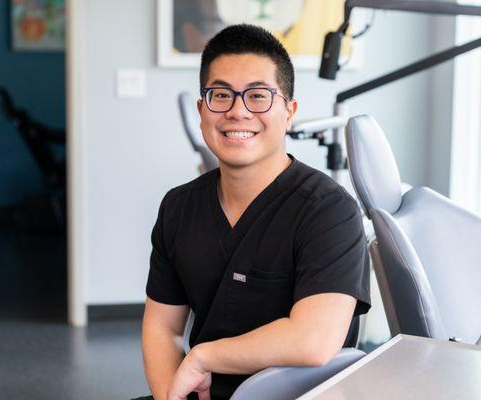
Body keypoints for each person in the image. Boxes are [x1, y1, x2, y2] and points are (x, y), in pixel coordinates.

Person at [140, 24, 370, 400]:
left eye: (258, 96)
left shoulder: (329, 211)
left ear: (289, 112)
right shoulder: (179, 207)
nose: (237, 111)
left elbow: (313, 341)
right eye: (220, 95)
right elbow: (161, 329)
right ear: (202, 111)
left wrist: (202, 358)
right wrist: (170, 395)